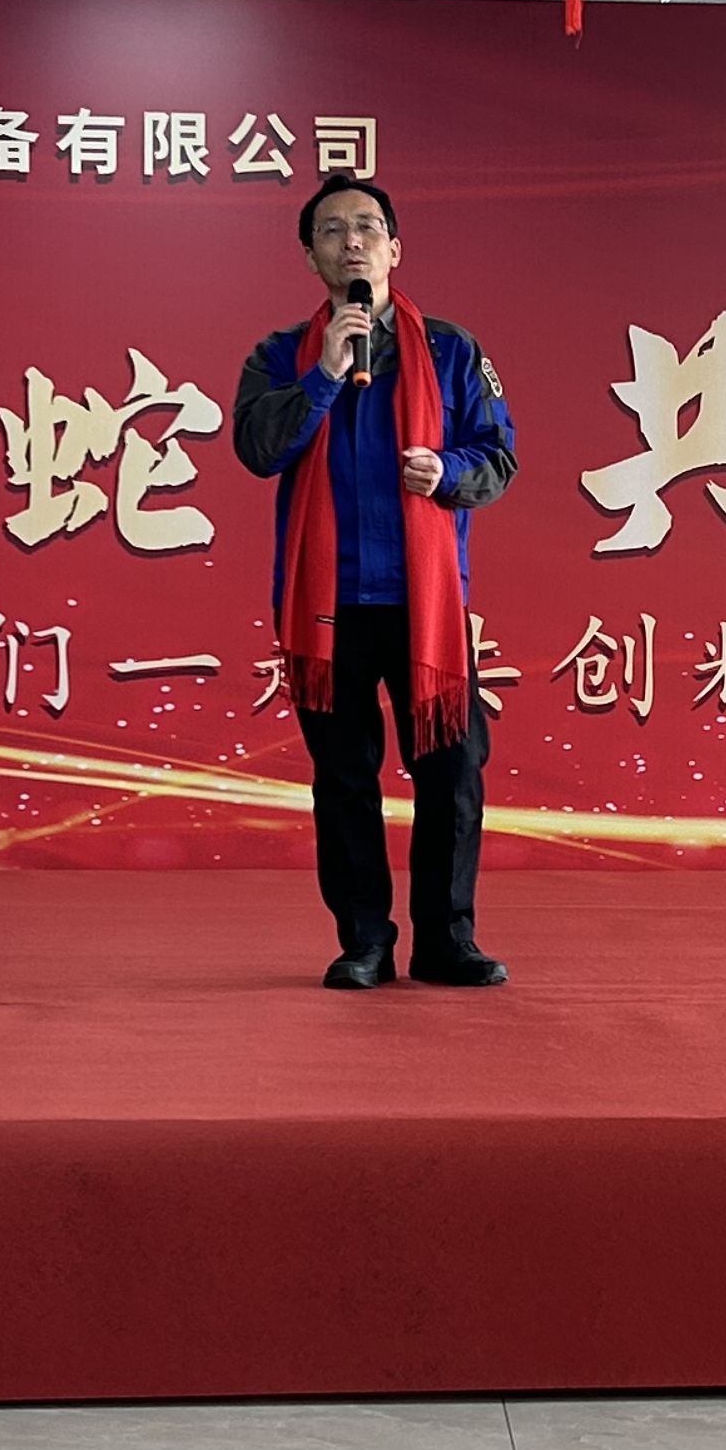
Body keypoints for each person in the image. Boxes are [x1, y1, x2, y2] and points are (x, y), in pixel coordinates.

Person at [232, 173, 519, 989]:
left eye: (366, 227)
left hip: (426, 608)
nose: (350, 241)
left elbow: (498, 456)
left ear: (395, 248)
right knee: (345, 781)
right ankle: (364, 940)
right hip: (328, 609)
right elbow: (258, 450)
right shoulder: (279, 356)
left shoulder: (453, 351)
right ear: (310, 256)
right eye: (332, 230)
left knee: (451, 777)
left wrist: (447, 471)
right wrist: (324, 375)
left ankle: (447, 940)